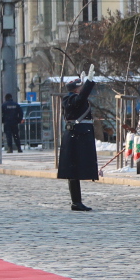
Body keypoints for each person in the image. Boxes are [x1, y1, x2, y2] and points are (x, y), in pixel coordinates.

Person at [57, 78, 99, 211]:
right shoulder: (69, 99)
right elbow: (80, 100)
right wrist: (89, 83)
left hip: (80, 136)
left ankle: (77, 201)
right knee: (73, 171)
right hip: (75, 137)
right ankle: (76, 201)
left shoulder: (76, 98)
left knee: (76, 170)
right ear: (76, 89)